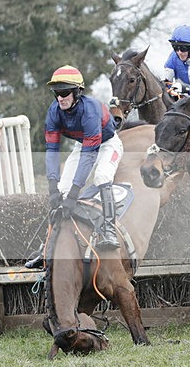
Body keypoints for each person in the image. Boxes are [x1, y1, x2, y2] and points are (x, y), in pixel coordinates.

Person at [25, 65, 122, 268]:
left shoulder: (90, 110)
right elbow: (52, 150)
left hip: (107, 144)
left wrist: (74, 194)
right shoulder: (54, 112)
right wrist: (53, 186)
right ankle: (47, 247)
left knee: (102, 176)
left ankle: (109, 230)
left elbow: (89, 156)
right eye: (56, 93)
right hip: (83, 146)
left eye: (64, 92)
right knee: (62, 189)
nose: (60, 98)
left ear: (77, 92)